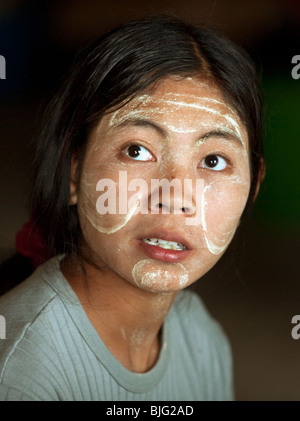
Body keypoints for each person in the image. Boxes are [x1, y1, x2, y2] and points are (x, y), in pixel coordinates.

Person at [0, 15, 264, 401]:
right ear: (73, 173)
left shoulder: (202, 338)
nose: (175, 195)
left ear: (252, 188)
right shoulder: (24, 371)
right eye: (137, 150)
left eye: (213, 161)